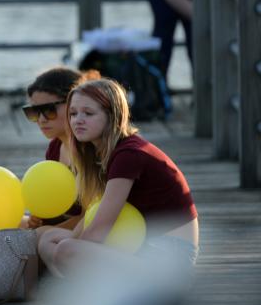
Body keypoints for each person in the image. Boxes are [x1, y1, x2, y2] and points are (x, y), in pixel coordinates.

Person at [37, 78, 199, 275]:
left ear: (112, 115)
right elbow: (92, 216)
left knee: (66, 250)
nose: (77, 120)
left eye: (88, 113)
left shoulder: (128, 155)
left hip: (169, 256)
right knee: (48, 239)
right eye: (73, 114)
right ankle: (79, 286)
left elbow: (99, 231)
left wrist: (69, 250)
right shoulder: (100, 154)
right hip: (139, 244)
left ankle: (78, 288)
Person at [19, 66, 98, 230]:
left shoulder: (91, 149)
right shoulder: (55, 147)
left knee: (35, 237)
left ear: (74, 104)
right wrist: (40, 217)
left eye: (49, 110)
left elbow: (90, 217)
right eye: (34, 111)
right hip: (67, 226)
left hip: (101, 230)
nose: (41, 119)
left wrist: (43, 230)